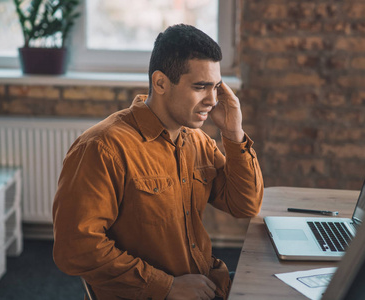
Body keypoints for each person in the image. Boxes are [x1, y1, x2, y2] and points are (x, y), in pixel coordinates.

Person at [52, 24, 264, 300]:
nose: (212, 101)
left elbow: (245, 204)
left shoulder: (196, 141)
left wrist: (234, 134)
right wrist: (167, 286)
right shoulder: (102, 147)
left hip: (205, 285)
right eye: (200, 87)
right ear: (160, 83)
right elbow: (75, 248)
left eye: (216, 87)